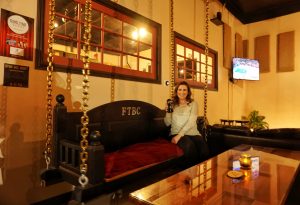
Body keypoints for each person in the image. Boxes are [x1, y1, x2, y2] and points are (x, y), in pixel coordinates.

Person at [164, 81, 209, 167]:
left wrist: (179, 136)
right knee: (189, 147)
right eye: (180, 90)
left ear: (188, 92)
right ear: (176, 91)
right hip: (175, 133)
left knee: (204, 150)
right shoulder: (173, 104)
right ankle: (190, 175)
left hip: (192, 133)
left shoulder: (193, 104)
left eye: (184, 90)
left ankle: (203, 174)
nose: (182, 92)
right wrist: (167, 112)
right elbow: (167, 123)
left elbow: (191, 122)